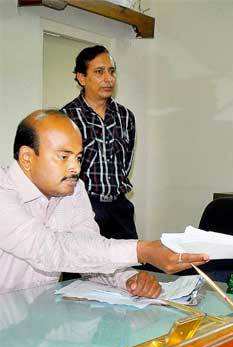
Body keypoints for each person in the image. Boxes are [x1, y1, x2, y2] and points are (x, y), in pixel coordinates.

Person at [0, 110, 208, 295]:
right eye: (64, 157)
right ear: (27, 158)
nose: (75, 168)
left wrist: (127, 279)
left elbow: (86, 252)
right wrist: (141, 250)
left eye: (79, 158)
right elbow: (49, 249)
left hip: (38, 322)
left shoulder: (73, 189)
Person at [61, 45, 138, 240]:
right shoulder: (65, 117)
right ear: (82, 77)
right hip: (82, 208)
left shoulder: (126, 116)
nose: (108, 78)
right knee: (81, 267)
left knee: (130, 268)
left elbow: (125, 164)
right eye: (99, 71)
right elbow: (61, 169)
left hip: (120, 209)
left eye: (111, 71)